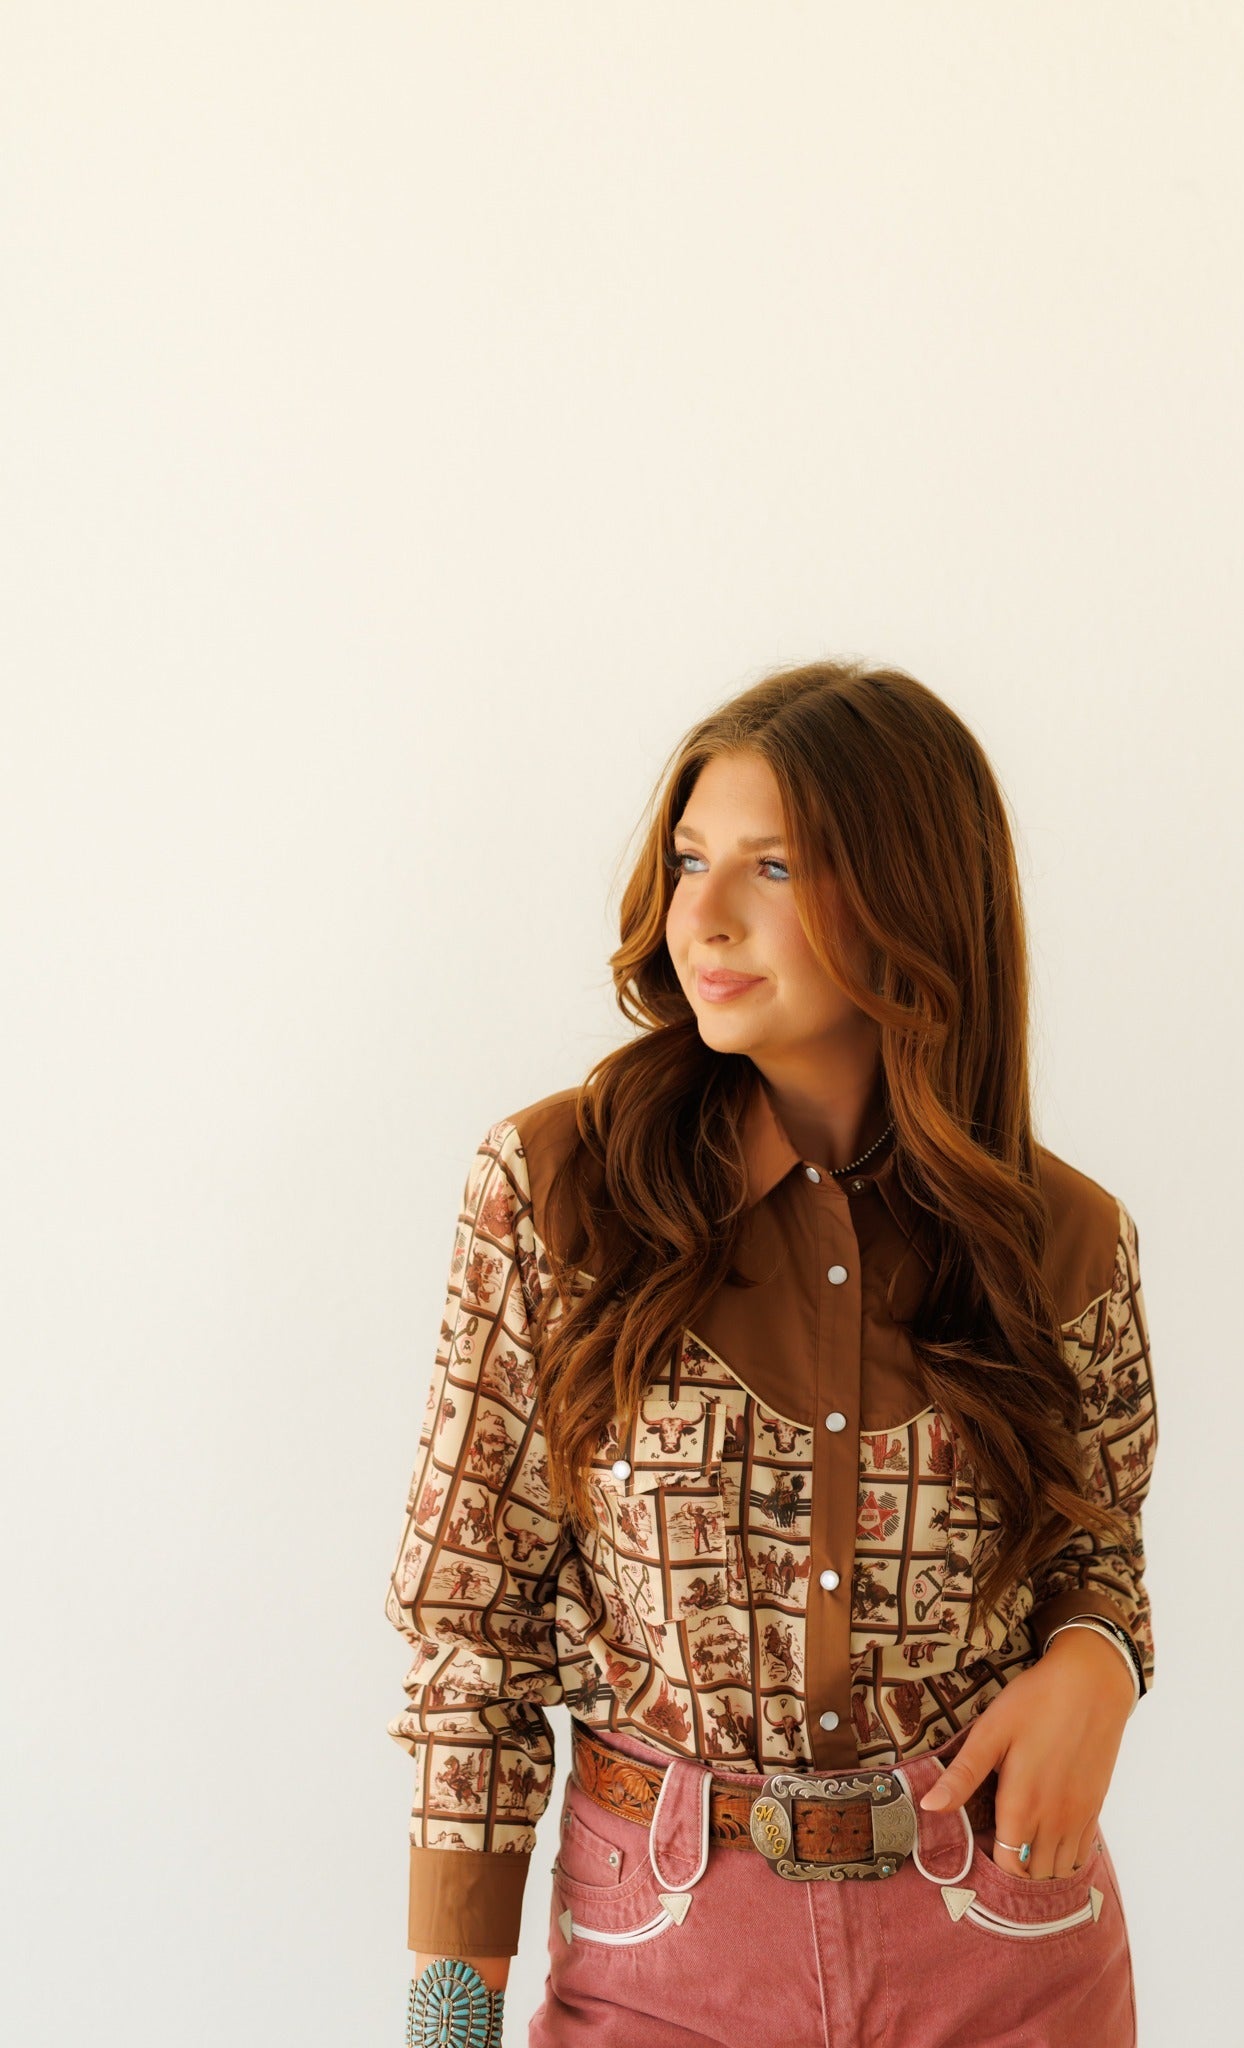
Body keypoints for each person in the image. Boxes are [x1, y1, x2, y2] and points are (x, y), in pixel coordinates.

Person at [385, 659, 1159, 2048]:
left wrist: (1097, 1655)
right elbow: (471, 1635)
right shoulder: (555, 1194)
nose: (704, 915)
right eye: (690, 861)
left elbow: (1094, 1550)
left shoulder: (1062, 1238)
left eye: (776, 866)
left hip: (1007, 1946)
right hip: (661, 1959)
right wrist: (448, 2023)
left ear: (913, 896)